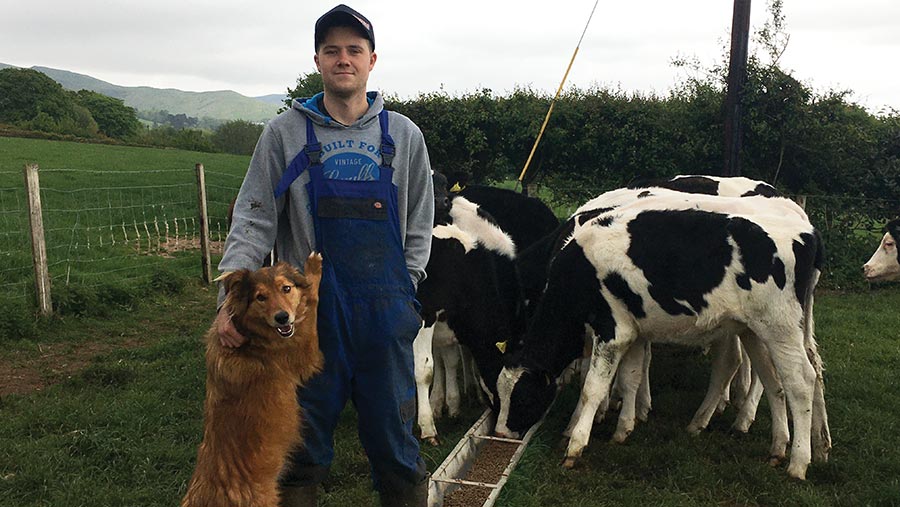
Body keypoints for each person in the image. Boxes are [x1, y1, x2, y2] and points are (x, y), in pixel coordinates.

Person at [214, 4, 435, 506]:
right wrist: (230, 301)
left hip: (383, 321)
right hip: (303, 324)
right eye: (332, 50)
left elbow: (420, 222)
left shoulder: (403, 136)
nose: (343, 59)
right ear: (317, 59)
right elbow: (253, 217)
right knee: (297, 451)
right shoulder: (284, 133)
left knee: (397, 447)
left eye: (354, 50)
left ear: (372, 61)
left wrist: (408, 290)